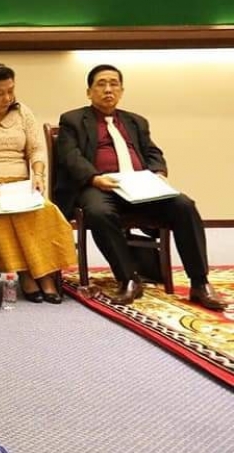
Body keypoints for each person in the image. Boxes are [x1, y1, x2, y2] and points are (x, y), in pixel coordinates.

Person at [54, 64, 223, 309]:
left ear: (121, 91)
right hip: (99, 186)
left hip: (140, 186)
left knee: (184, 205)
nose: (108, 89)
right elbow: (70, 156)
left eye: (114, 84)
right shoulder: (72, 120)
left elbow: (153, 152)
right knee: (99, 212)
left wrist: (158, 173)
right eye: (101, 84)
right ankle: (129, 279)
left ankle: (200, 283)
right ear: (89, 92)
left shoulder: (136, 121)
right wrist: (94, 178)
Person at [0, 62, 76, 303]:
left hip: (20, 185)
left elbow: (36, 149)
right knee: (4, 214)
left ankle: (45, 275)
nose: (7, 98)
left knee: (45, 210)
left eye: (11, 91)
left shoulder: (22, 113)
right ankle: (25, 274)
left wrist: (38, 175)